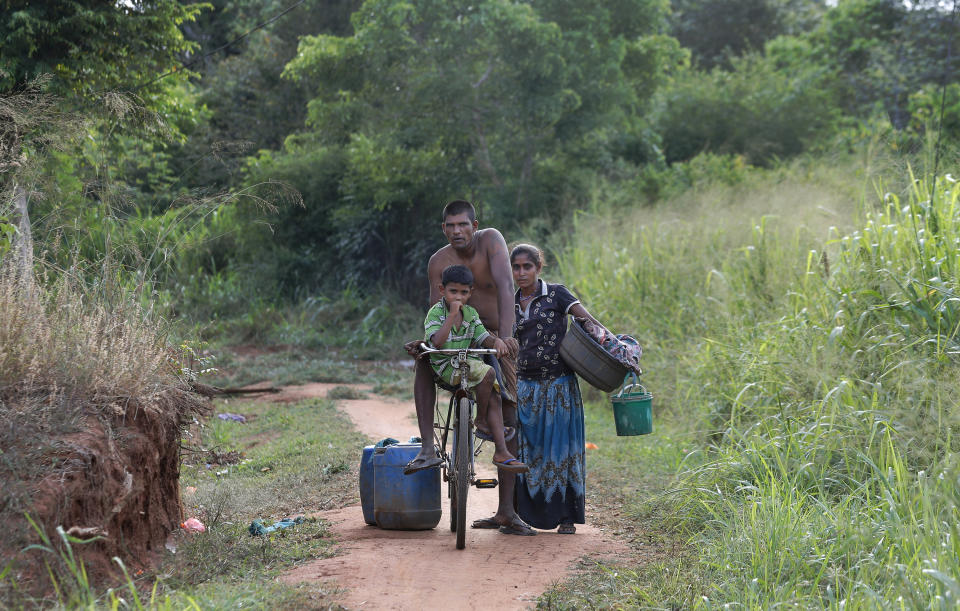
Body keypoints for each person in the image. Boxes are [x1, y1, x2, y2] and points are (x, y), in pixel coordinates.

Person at [404, 199, 536, 536]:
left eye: (463, 225)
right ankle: (427, 449)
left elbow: (507, 287)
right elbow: (434, 314)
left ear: (475, 226)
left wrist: (505, 339)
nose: (457, 231)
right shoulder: (438, 261)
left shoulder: (492, 241)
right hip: (454, 344)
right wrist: (428, 341)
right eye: (450, 226)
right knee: (423, 361)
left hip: (493, 339)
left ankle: (506, 512)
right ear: (443, 229)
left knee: (509, 417)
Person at [511, 243, 601, 534]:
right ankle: (521, 515)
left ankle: (566, 518)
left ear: (539, 268)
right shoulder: (508, 302)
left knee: (561, 452)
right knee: (528, 452)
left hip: (559, 386)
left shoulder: (557, 294)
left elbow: (588, 322)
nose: (521, 272)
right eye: (516, 267)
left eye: (528, 266)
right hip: (525, 387)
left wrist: (615, 348)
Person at [417, 264, 528, 473]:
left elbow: (482, 337)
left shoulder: (471, 314)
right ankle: (481, 420)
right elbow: (438, 342)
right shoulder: (435, 313)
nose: (458, 297)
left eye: (463, 292)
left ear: (471, 292)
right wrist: (451, 316)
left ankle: (501, 451)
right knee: (489, 373)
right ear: (442, 290)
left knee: (494, 391)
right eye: (453, 292)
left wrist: (497, 343)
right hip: (444, 366)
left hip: (467, 365)